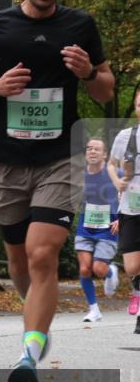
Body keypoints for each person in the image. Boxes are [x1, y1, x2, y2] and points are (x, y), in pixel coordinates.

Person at [0, 0, 115, 382]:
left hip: (60, 161)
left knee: (42, 254)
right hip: (6, 163)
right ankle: (36, 328)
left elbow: (106, 92)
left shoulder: (80, 25)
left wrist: (89, 71)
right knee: (19, 260)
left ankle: (28, 355)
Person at [106, 89, 140, 335]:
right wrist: (116, 182)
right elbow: (110, 164)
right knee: (132, 266)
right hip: (131, 205)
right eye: (139, 104)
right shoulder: (125, 136)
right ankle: (137, 289)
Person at [75, 138, 119, 323]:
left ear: (105, 154)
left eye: (97, 149)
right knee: (85, 269)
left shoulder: (115, 173)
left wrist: (122, 217)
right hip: (86, 225)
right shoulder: (78, 175)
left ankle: (110, 272)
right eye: (89, 149)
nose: (92, 151)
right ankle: (94, 310)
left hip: (109, 226)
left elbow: (132, 190)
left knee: (98, 269)